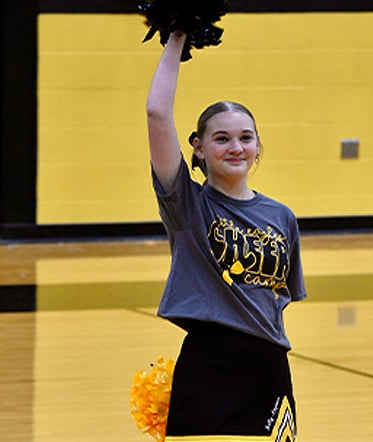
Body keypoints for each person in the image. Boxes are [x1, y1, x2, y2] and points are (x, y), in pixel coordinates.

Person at [146, 30, 307, 441]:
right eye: (222, 139)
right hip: (210, 364)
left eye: (245, 137)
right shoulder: (188, 206)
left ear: (257, 146)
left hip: (269, 365)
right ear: (198, 148)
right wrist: (177, 36)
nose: (235, 147)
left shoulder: (282, 217)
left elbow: (276, 301)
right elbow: (156, 114)